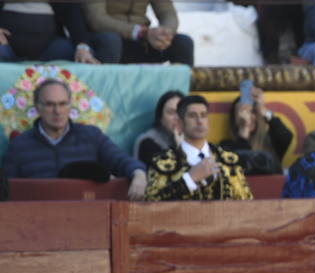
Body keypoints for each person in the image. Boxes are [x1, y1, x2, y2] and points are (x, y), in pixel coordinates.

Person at [2, 78, 146, 198]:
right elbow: (7, 191)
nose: (57, 111)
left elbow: (120, 160)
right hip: (35, 222)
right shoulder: (19, 145)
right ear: (37, 107)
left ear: (70, 105)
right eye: (50, 104)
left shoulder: (91, 136)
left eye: (62, 104)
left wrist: (138, 174)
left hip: (86, 217)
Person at [143, 94, 253, 201]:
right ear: (180, 123)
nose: (200, 121)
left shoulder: (228, 159)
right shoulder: (163, 162)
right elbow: (151, 203)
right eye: (192, 116)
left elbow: (246, 202)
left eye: (203, 115)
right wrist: (190, 179)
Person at [220, 85, 293, 174]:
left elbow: (286, 136)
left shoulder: (270, 141)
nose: (249, 117)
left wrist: (264, 112)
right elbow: (239, 163)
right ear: (234, 119)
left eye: (252, 111)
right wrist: (244, 131)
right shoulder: (226, 147)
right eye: (243, 112)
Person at [133, 89, 183, 166]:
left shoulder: (192, 138)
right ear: (160, 118)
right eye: (170, 112)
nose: (177, 117)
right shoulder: (148, 143)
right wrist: (180, 149)